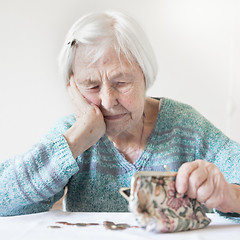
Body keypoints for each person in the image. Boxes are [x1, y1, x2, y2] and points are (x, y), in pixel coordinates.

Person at [0, 10, 239, 219]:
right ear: (72, 87)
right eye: (91, 86)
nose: (107, 101)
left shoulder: (186, 127)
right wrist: (77, 140)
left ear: (145, 77)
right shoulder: (72, 134)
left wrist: (230, 196)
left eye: (122, 82)